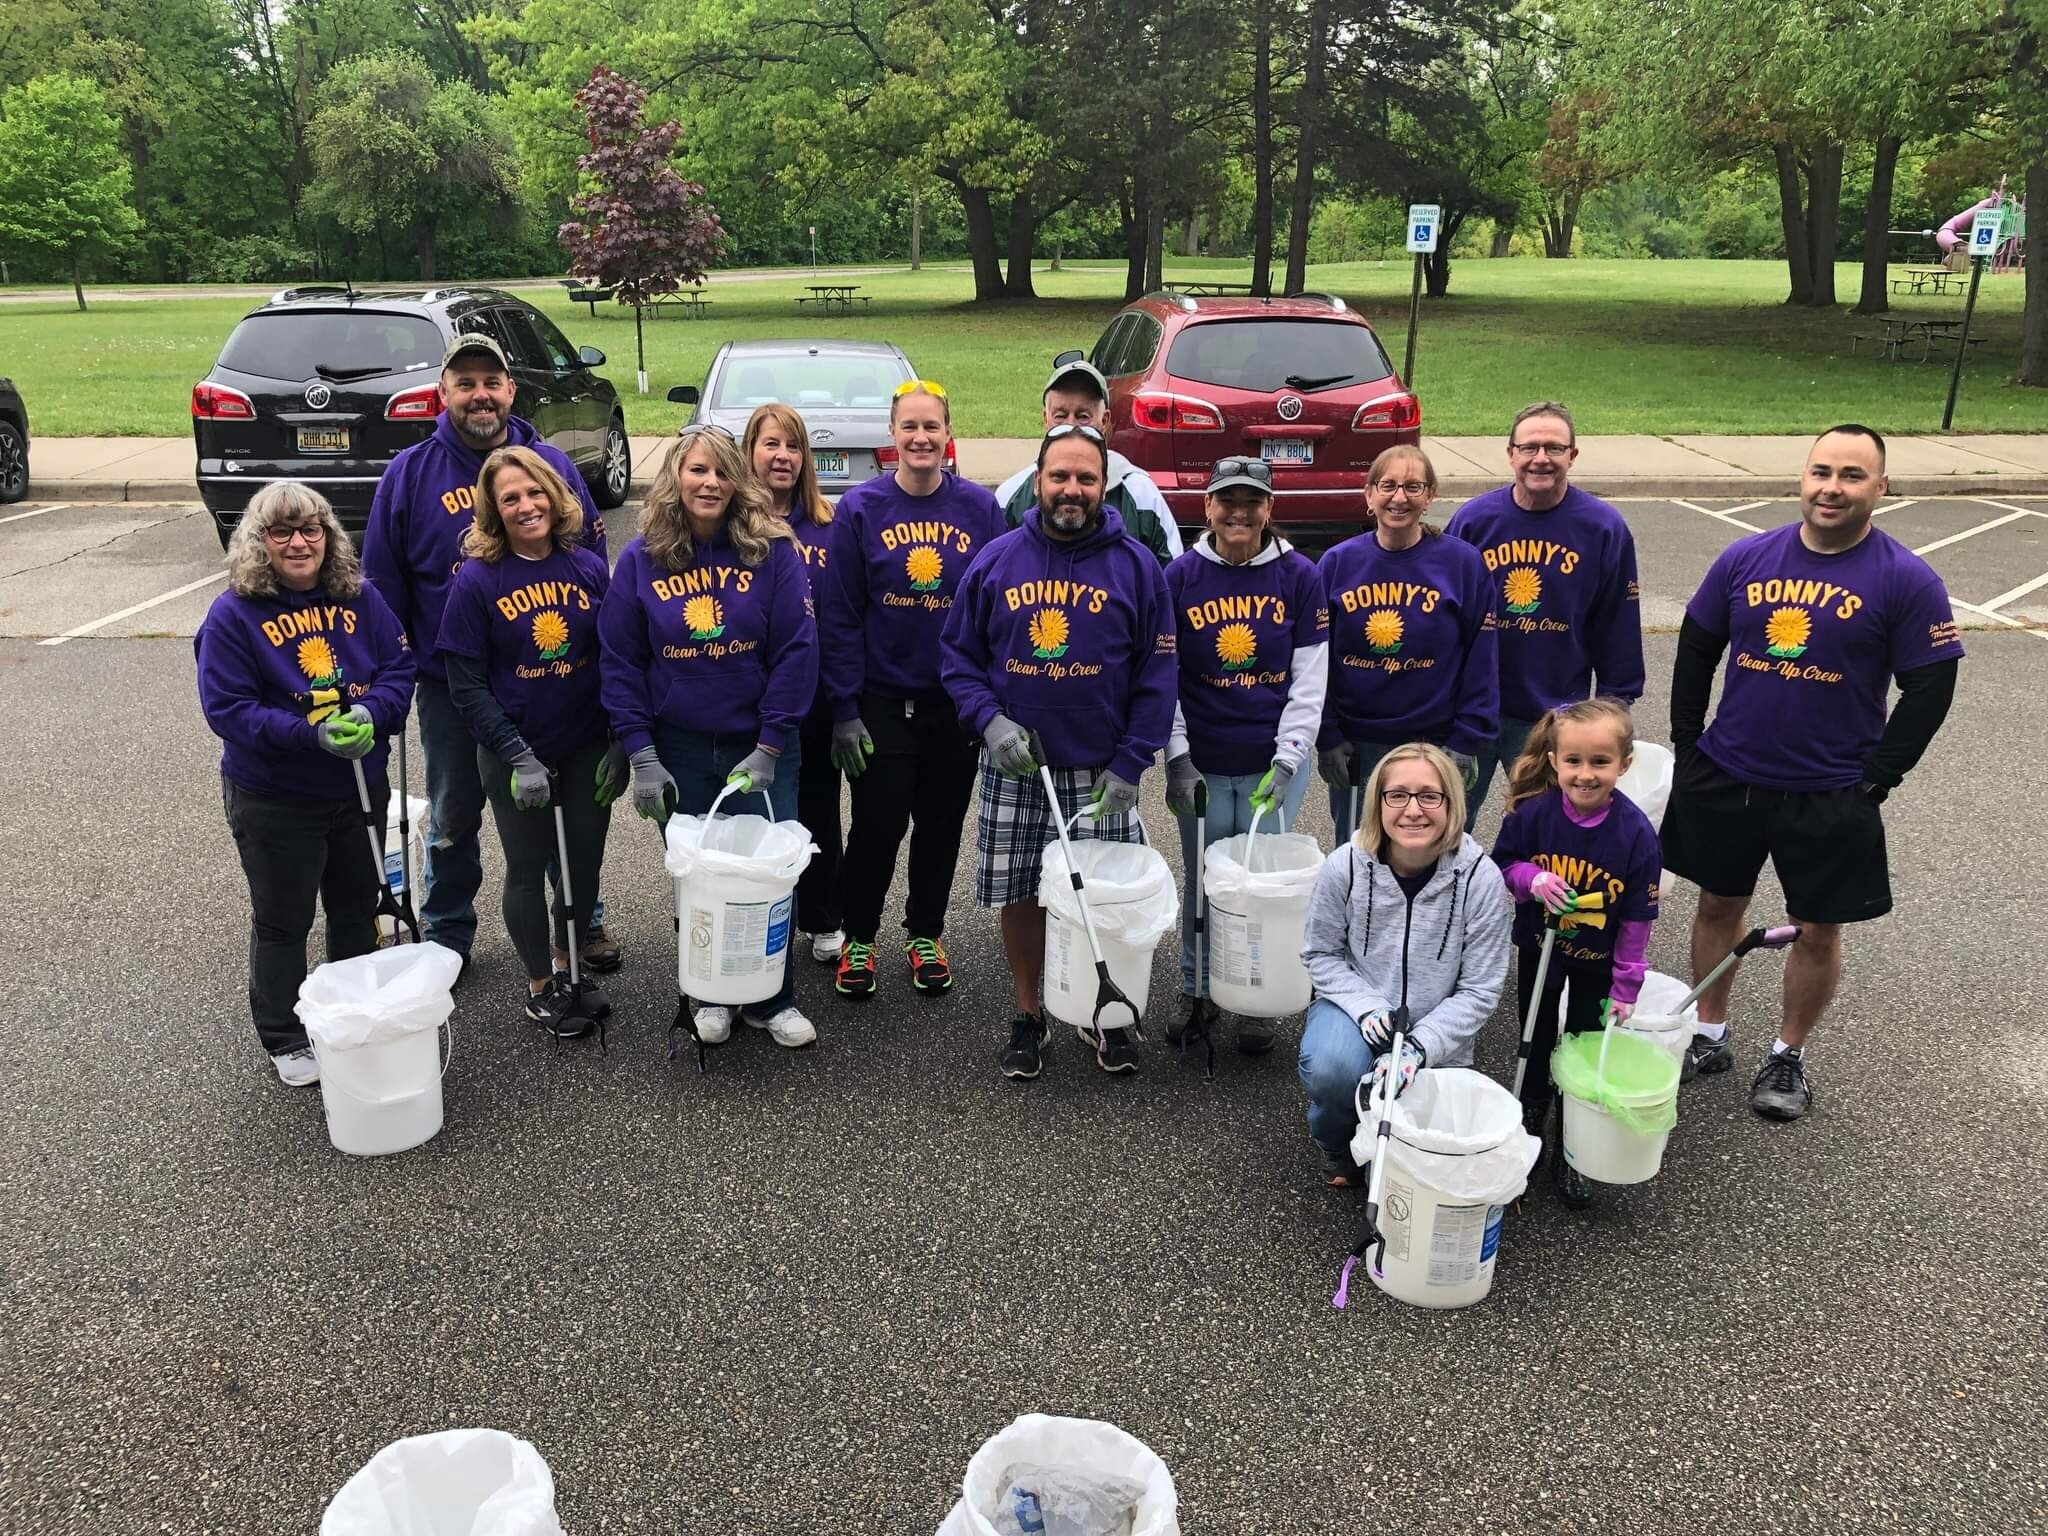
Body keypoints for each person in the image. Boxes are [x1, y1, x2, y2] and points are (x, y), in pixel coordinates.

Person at [1661, 424, 1962, 1121]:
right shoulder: (1745, 558)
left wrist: (1879, 777)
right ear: (1803, 477)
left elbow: (1931, 686)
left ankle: (1788, 1053)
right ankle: (1708, 1032)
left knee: (1817, 929)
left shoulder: (1907, 579)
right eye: (1821, 471)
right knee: (1716, 904)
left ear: (1880, 488)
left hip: (1830, 789)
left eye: (1852, 475)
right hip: (1730, 774)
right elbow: (1698, 644)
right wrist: (1687, 740)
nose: (1832, 487)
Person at [361, 334, 615, 975]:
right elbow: (382, 586)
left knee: (566, 811)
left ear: (511, 390)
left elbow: (590, 563)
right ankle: (449, 931)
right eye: (465, 382)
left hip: (558, 679)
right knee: (455, 809)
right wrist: (389, 672)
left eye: (491, 381)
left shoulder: (548, 465)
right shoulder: (410, 473)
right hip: (454, 685)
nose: (481, 394)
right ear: (443, 393)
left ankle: (578, 925)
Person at [941, 423, 1176, 1079]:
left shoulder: (1137, 568)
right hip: (1016, 766)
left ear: (1105, 486)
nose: (1072, 489)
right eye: (1060, 476)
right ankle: (1029, 1012)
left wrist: (1133, 763)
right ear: (1038, 481)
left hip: (1103, 773)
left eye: (1086, 478)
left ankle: (1105, 1012)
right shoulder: (995, 561)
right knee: (1022, 893)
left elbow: (1158, 677)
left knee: (1103, 899)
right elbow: (958, 659)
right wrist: (987, 722)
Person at [599, 425, 820, 1048]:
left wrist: (773, 743)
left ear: (739, 481)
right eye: (698, 470)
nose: (710, 483)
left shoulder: (773, 550)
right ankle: (708, 993)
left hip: (761, 743)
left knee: (768, 872)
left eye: (723, 472)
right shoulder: (641, 558)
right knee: (700, 877)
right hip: (681, 745)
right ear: (675, 478)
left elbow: (796, 652)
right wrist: (640, 752)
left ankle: (772, 998)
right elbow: (620, 659)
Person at [196, 482, 417, 1085]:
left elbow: (400, 666)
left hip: (357, 789)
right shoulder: (232, 615)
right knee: (283, 920)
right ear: (258, 542)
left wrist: (373, 712)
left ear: (329, 537)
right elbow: (228, 708)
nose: (299, 543)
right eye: (281, 532)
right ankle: (286, 1035)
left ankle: (345, 1015)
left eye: (311, 530)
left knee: (353, 910)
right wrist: (308, 735)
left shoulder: (362, 599)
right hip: (276, 796)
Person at [820, 381, 1004, 999]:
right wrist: (845, 710)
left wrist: (992, 702)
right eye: (909, 428)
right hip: (881, 701)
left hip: (954, 704)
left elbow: (995, 612)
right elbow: (841, 615)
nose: (921, 439)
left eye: (932, 427)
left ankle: (925, 932)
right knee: (877, 824)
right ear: (891, 438)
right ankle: (860, 937)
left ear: (948, 434)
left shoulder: (980, 511)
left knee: (942, 824)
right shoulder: (860, 510)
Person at [435, 446, 622, 1039]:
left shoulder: (588, 567)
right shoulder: (477, 580)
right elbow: (464, 684)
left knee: (584, 862)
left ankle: (571, 967)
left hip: (586, 742)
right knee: (524, 866)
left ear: (554, 494)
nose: (525, 505)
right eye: (509, 498)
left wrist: (620, 739)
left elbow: (616, 656)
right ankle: (541, 985)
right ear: (492, 509)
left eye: (534, 492)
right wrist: (517, 754)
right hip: (516, 753)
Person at [1163, 455, 1328, 1054]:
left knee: (1261, 883)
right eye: (1227, 501)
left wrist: (1288, 760)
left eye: (1251, 502)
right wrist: (1177, 756)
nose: (1239, 512)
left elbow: (1310, 680)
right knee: (1205, 880)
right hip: (1203, 760)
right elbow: (1166, 675)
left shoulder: (1299, 577)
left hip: (1269, 763)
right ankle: (1197, 987)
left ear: (1269, 510)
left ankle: (1257, 996)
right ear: (1207, 506)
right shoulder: (1180, 577)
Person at [1296, 744, 1510, 1187]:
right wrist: (1367, 1007)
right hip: (1357, 1012)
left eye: (1430, 796)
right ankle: (1338, 1144)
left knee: (1413, 1168)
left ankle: (1385, 1146)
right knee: (1333, 1068)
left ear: (1452, 803)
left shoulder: (1481, 879)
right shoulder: (1345, 867)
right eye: (1397, 795)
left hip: (1435, 1023)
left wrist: (1421, 1045)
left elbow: (1481, 988)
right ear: (1378, 803)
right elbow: (1320, 953)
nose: (1413, 810)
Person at [1490, 698, 1662, 1207]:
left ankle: (1575, 1138)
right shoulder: (1533, 813)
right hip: (1541, 949)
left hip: (1598, 964)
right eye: (1574, 762)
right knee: (1536, 1038)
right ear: (1554, 761)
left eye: (1600, 763)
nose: (1585, 775)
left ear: (1623, 765)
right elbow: (1503, 863)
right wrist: (1532, 878)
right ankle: (1529, 1120)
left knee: (1584, 1049)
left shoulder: (1636, 836)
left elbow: (1636, 919)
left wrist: (1627, 985)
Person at [1445, 402, 1642, 815]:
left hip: (1554, 717)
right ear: (1510, 453)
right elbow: (1446, 622)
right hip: (1473, 711)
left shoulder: (1603, 528)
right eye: (1529, 447)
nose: (1541, 459)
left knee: (1546, 832)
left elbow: (1617, 623)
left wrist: (1615, 704)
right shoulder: (1473, 522)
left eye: (1554, 448)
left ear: (1572, 455)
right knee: (1445, 829)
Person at [1318, 446, 1498, 839]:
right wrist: (1327, 734)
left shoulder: (1463, 565)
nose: (1399, 497)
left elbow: (1481, 661)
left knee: (1431, 853)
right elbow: (1317, 662)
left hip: (1433, 743)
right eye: (1388, 486)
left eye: (1413, 486)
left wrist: (1467, 740)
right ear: (1369, 495)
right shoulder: (1336, 564)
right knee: (1359, 856)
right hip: (1357, 742)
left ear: (1430, 496)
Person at [746, 403, 845, 967]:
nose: (782, 456)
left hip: (819, 699)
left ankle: (822, 917)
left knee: (817, 810)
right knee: (763, 814)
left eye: (793, 446)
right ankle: (763, 917)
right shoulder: (736, 528)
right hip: (753, 700)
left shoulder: (829, 527)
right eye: (771, 444)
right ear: (750, 452)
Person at [993, 353, 1183, 564]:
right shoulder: (1010, 497)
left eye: (1083, 416)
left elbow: (1172, 582)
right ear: (1045, 419)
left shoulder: (1143, 496)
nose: (1071, 426)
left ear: (1105, 420)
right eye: (1060, 416)